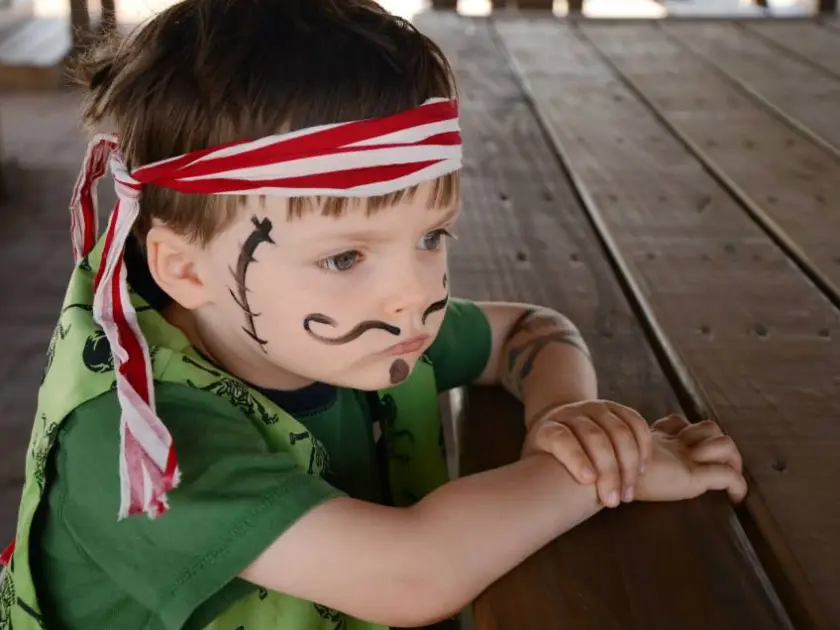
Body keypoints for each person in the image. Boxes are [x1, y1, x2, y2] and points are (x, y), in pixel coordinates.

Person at [0, 0, 747, 628]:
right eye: (345, 257)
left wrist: (570, 421)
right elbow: (413, 575)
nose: (411, 294)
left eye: (431, 236)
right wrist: (603, 470)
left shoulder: (359, 332)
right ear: (185, 269)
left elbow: (531, 331)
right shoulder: (138, 446)